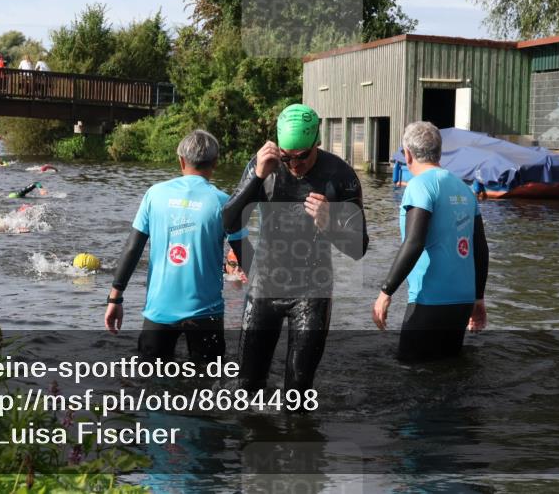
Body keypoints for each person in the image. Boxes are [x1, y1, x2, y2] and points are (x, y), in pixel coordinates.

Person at [223, 104, 368, 392]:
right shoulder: (263, 164)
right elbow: (228, 221)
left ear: (317, 142)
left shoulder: (340, 175)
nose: (294, 165)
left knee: (298, 394)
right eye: (287, 157)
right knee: (247, 387)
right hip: (265, 286)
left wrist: (330, 224)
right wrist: (258, 177)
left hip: (311, 292)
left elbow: (359, 247)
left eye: (302, 156)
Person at [104, 130, 249, 364]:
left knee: (151, 383)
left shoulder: (155, 194)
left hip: (159, 310)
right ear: (215, 162)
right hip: (206, 313)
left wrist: (115, 299)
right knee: (208, 384)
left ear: (181, 160)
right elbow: (246, 255)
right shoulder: (224, 202)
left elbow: (133, 248)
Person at [371, 122, 490, 362]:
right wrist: (478, 298)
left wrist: (386, 292)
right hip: (462, 301)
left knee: (411, 375)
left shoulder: (419, 186)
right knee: (447, 372)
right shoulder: (465, 189)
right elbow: (481, 248)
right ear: (439, 151)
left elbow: (414, 243)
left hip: (429, 299)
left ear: (407, 154)